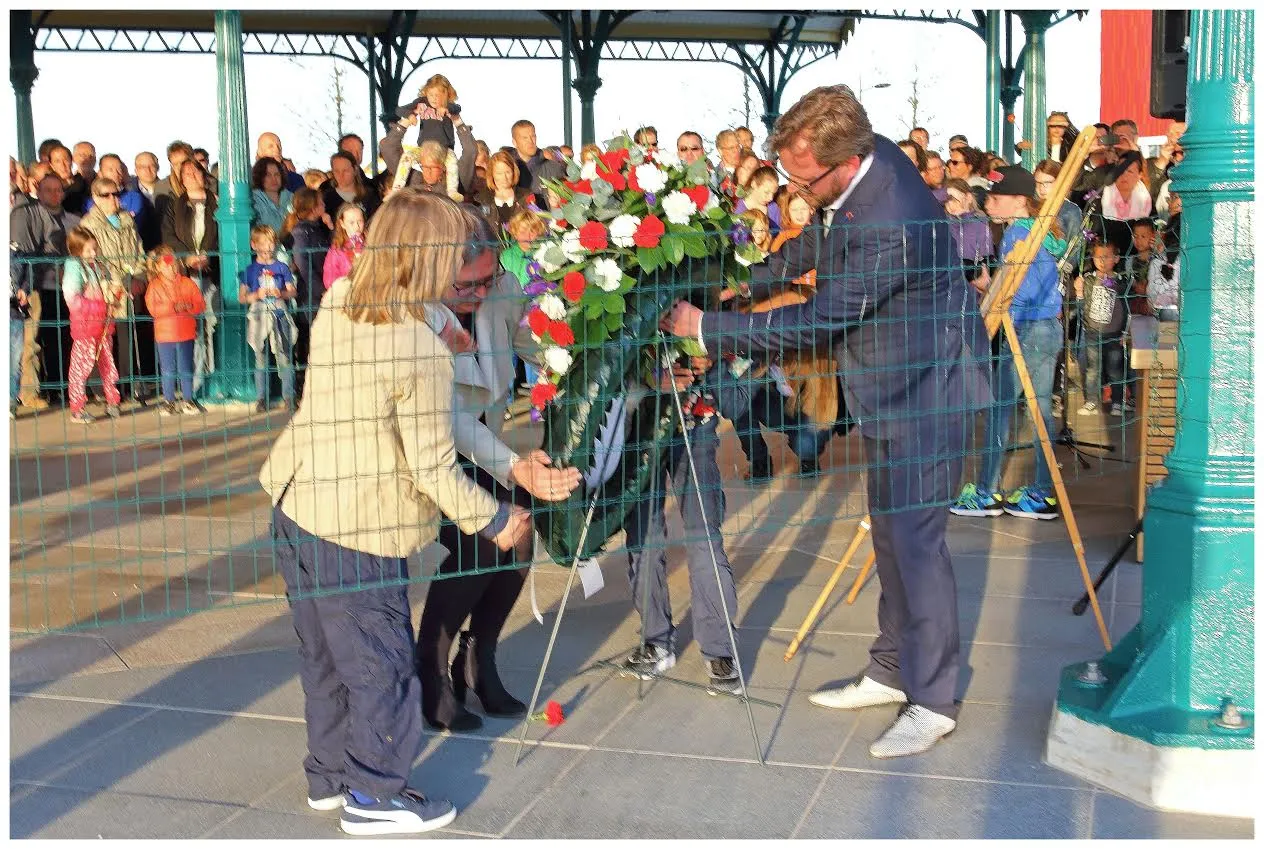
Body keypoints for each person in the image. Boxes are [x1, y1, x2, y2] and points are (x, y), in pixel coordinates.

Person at [663, 84, 990, 758]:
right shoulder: (868, 165)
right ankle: (891, 668)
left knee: (916, 545)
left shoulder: (890, 217)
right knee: (892, 538)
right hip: (891, 384)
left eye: (804, 179)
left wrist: (709, 327)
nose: (796, 189)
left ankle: (933, 700)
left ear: (845, 161)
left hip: (927, 393)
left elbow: (821, 318)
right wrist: (749, 281)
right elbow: (821, 239)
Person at [258, 189, 532, 835]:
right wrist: (496, 519)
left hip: (298, 502)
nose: (472, 286)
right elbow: (433, 465)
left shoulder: (343, 298)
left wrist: (438, 325)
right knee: (380, 664)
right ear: (431, 258)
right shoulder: (418, 344)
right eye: (459, 268)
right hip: (359, 524)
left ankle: (330, 776)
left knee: (325, 658)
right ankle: (375, 795)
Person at [415, 209, 583, 730]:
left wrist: (586, 354)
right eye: (468, 285)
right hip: (429, 449)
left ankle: (478, 657)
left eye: (489, 280)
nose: (481, 294)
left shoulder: (501, 285)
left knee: (520, 534)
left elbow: (542, 345)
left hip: (484, 439)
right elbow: (445, 418)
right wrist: (512, 466)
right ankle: (429, 671)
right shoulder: (415, 309)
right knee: (480, 544)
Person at [951, 166, 1065, 521]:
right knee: (1039, 412)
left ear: (1019, 201)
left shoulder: (1017, 234)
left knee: (999, 410)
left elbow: (1022, 290)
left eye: (996, 197)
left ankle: (986, 492)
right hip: (1046, 327)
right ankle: (1041, 493)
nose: (988, 202)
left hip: (1026, 332)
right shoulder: (1038, 230)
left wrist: (992, 289)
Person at [10, 172, 80, 408]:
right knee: (34, 342)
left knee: (63, 339)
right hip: (36, 287)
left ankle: (63, 389)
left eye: (58, 189)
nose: (54, 194)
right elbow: (26, 250)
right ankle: (32, 393)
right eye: (48, 190)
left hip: (66, 288)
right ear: (38, 192)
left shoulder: (73, 221)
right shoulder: (27, 214)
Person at [79, 176, 149, 403]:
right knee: (102, 339)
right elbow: (92, 259)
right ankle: (100, 387)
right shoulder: (88, 225)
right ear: (95, 197)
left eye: (116, 194)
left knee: (128, 337)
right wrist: (119, 281)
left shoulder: (128, 221)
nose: (113, 199)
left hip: (130, 287)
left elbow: (139, 252)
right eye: (106, 195)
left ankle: (128, 383)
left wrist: (139, 277)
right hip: (104, 289)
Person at [62, 227, 124, 423]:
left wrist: (114, 297)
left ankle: (113, 400)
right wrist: (101, 306)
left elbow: (106, 289)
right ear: (76, 250)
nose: (93, 253)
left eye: (95, 249)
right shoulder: (74, 267)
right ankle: (77, 408)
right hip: (85, 326)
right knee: (81, 367)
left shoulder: (98, 266)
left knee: (108, 363)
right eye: (88, 250)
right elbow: (72, 299)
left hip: (104, 324)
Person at [239, 224, 298, 413]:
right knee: (261, 356)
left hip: (279, 312)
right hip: (259, 313)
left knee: (284, 355)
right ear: (254, 245)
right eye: (263, 243)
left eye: (271, 243)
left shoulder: (282, 267)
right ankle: (261, 398)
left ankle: (289, 396)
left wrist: (281, 293)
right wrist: (256, 295)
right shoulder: (250, 270)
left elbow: (292, 291)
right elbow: (242, 297)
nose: (268, 247)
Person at [144, 246, 206, 415]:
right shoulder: (154, 286)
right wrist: (173, 307)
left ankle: (188, 400)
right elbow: (153, 309)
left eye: (174, 264)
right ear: (158, 267)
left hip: (186, 334)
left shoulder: (187, 283)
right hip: (165, 336)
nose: (171, 268)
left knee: (186, 368)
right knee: (168, 369)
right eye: (167, 266)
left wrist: (189, 306)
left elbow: (200, 304)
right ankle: (169, 401)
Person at [281, 188, 331, 390]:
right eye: (321, 203)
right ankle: (303, 383)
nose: (325, 206)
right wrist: (321, 289)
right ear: (313, 207)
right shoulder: (301, 231)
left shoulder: (318, 228)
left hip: (319, 289)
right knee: (308, 337)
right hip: (309, 293)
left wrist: (331, 226)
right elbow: (303, 265)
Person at [1073, 242, 1128, 417]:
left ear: (1116, 259)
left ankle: (1117, 402)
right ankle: (1091, 401)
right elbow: (1080, 306)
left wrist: (1126, 332)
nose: (1102, 261)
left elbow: (1127, 307)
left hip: (1115, 334)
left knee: (1115, 370)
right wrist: (1079, 292)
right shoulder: (1088, 280)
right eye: (1098, 257)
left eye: (1107, 256)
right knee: (1092, 369)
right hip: (1092, 333)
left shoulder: (1121, 281)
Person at [943, 178, 993, 291]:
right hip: (949, 281)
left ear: (969, 198)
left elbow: (987, 257)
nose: (950, 205)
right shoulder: (943, 224)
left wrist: (984, 275)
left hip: (973, 281)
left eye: (954, 200)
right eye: (946, 201)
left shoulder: (980, 224)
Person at [473, 150, 534, 231]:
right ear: (492, 174)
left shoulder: (526, 196)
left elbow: (535, 225)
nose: (504, 177)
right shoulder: (480, 199)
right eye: (499, 173)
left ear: (514, 172)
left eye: (507, 172)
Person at [320, 151, 380, 222]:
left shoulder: (369, 196)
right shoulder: (327, 198)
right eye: (336, 171)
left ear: (355, 170)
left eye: (345, 170)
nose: (341, 175)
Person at [322, 204, 366, 290]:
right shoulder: (336, 250)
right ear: (342, 224)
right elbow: (329, 281)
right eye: (351, 222)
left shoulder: (370, 244)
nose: (357, 226)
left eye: (360, 221)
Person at [1101, 152, 1153, 221]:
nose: (1124, 175)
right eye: (1121, 171)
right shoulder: (1101, 190)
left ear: (1139, 175)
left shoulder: (1144, 198)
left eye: (1130, 171)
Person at [251, 157, 293, 234]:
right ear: (260, 177)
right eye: (268, 175)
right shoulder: (254, 200)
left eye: (277, 174)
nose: (274, 179)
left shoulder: (292, 198)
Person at [508, 119, 545, 191]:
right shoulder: (506, 168)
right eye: (525, 138)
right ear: (514, 142)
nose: (530, 141)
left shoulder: (550, 166)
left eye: (533, 136)